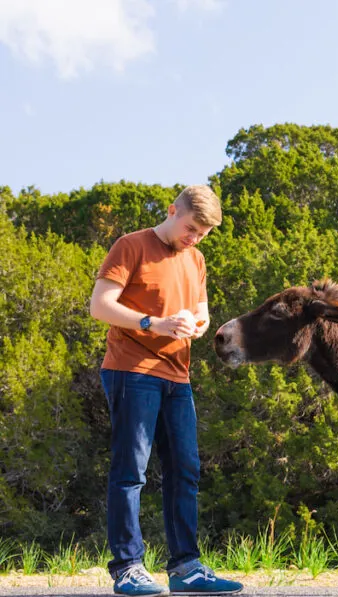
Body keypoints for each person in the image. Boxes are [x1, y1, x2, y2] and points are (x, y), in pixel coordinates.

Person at [90, 185, 242, 597]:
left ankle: (186, 569)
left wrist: (198, 324)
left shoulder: (196, 258)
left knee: (185, 470)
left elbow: (202, 312)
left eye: (203, 234)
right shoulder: (131, 246)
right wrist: (151, 324)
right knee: (131, 472)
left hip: (178, 376)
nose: (195, 238)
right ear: (173, 211)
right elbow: (100, 305)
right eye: (191, 228)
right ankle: (128, 567)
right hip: (131, 370)